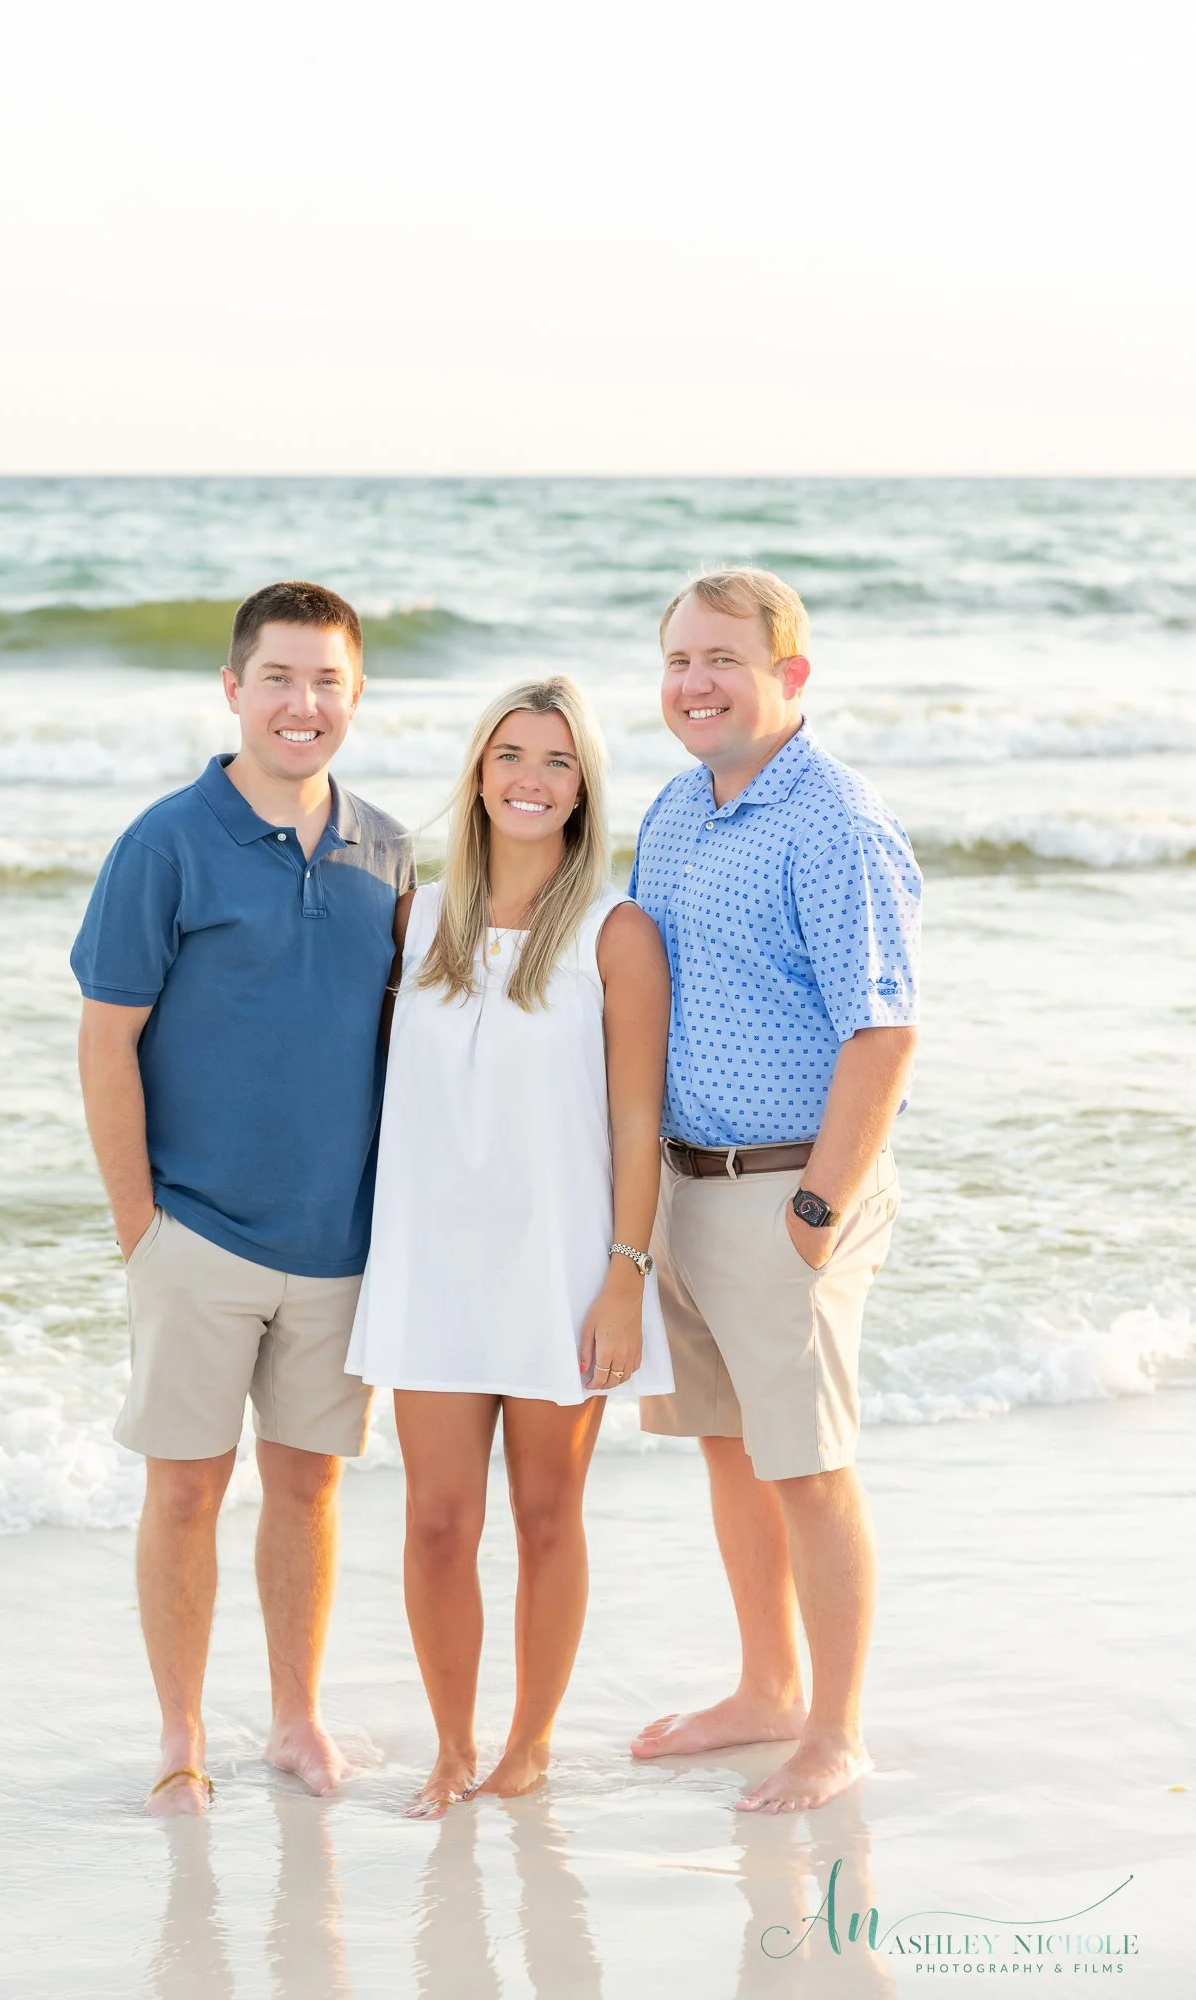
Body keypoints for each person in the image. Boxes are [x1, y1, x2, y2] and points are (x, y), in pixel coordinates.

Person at [71, 580, 414, 1814]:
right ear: (232, 688)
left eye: (326, 680)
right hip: (197, 1231)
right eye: (278, 676)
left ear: (355, 696)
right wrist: (140, 1230)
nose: (301, 703)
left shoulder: (389, 848)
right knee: (185, 1486)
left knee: (310, 1485)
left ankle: (295, 1718)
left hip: (339, 1241)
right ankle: (178, 1734)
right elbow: (106, 1040)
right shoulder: (164, 841)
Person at [346, 675, 674, 1816]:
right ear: (477, 774)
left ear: (584, 788)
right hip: (432, 1265)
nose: (531, 779)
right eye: (510, 756)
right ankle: (450, 1745)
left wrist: (623, 1279)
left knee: (546, 1514)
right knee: (436, 1519)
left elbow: (638, 1122)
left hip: (560, 1266)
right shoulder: (414, 916)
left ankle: (527, 1742)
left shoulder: (615, 933)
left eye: (557, 761)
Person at [627, 568, 921, 1813]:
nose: (695, 682)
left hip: (790, 1191)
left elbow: (882, 1030)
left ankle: (835, 1729)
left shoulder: (834, 821)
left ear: (787, 676)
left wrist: (815, 1212)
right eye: (679, 659)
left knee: (806, 1465)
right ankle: (763, 1687)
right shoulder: (674, 809)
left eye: (723, 661)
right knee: (731, 1453)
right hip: (686, 1188)